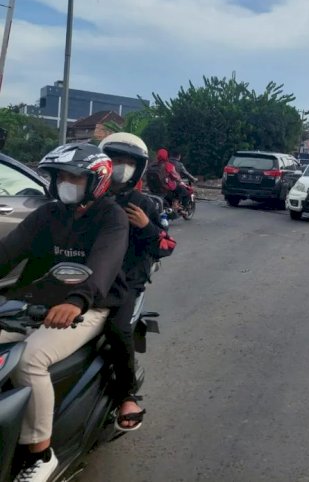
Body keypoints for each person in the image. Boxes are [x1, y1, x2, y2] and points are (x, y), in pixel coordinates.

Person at [0, 143, 129, 482]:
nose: (65, 184)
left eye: (74, 177)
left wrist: (76, 301)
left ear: (96, 182)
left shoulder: (111, 217)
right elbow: (8, 251)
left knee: (30, 358)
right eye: (60, 177)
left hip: (88, 305)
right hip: (36, 298)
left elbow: (103, 265)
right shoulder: (48, 214)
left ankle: (40, 456)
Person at [100, 133, 174, 432]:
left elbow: (167, 246)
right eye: (116, 161)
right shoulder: (90, 196)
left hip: (125, 281)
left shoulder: (145, 204)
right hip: (89, 275)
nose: (122, 167)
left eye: (129, 163)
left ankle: (126, 395)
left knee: (118, 329)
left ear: (140, 167)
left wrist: (146, 226)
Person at [153, 148, 190, 213]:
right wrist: (179, 179)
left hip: (153, 188)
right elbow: (176, 177)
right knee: (184, 191)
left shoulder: (152, 165)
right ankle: (178, 207)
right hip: (165, 188)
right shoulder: (168, 165)